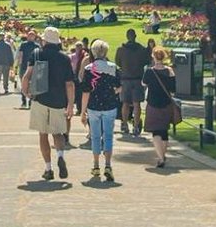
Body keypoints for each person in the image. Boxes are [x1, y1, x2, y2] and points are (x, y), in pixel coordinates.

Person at [22, 26, 75, 180]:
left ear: (44, 40)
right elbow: (70, 84)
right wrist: (71, 104)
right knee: (58, 133)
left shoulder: (37, 54)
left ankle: (48, 168)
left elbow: (27, 76)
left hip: (40, 98)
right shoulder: (65, 58)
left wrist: (26, 92)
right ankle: (60, 155)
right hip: (58, 101)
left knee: (43, 134)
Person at [80, 38, 121, 181]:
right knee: (108, 136)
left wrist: (82, 111)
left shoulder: (88, 69)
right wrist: (112, 92)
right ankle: (108, 165)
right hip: (109, 105)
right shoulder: (113, 67)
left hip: (93, 106)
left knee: (96, 136)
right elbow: (120, 86)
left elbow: (86, 91)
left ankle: (96, 165)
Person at [142, 47, 177, 168]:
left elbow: (144, 83)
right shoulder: (170, 71)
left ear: (153, 57)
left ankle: (161, 158)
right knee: (164, 131)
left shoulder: (149, 71)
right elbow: (173, 89)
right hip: (166, 103)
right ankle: (163, 155)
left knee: (155, 132)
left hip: (153, 103)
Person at [115, 28, 149, 136]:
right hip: (137, 79)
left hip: (125, 79)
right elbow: (146, 61)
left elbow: (118, 62)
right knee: (136, 103)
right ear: (135, 36)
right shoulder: (141, 49)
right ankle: (135, 126)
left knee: (125, 103)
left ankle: (124, 124)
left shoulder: (121, 50)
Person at [16, 28, 38, 109]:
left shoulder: (24, 45)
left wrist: (18, 65)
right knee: (31, 84)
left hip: (26, 67)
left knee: (24, 84)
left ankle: (25, 101)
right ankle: (28, 101)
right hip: (31, 67)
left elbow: (20, 56)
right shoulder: (36, 46)